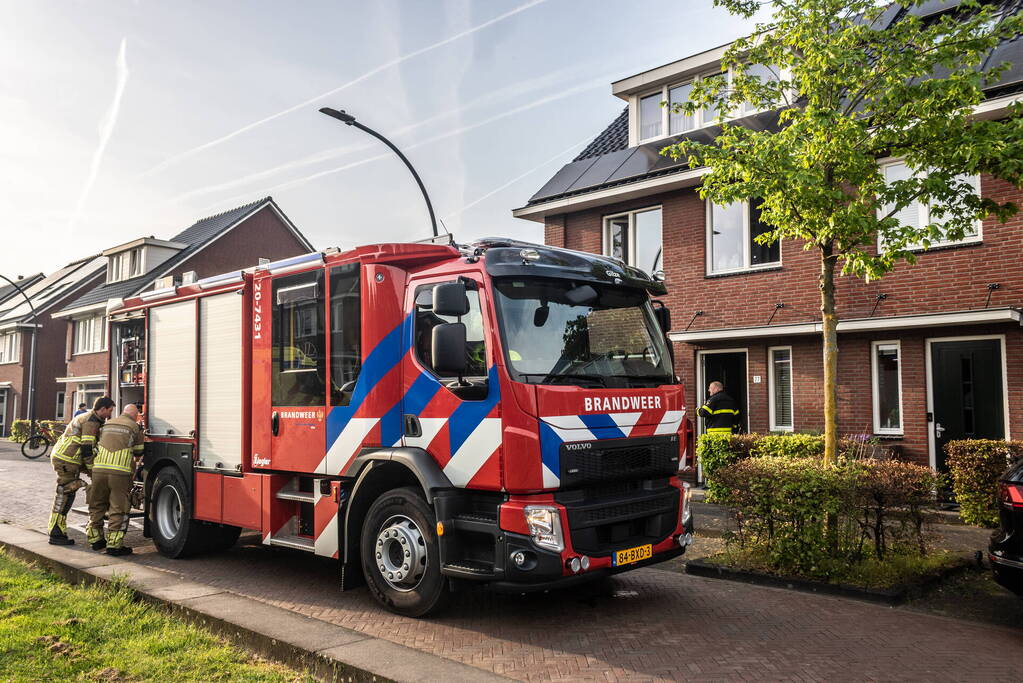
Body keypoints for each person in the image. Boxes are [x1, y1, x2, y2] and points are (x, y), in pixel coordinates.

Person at [47, 396, 115, 545]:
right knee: (65, 493)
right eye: (109, 411)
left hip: (67, 458)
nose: (109, 415)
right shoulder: (91, 420)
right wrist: (93, 471)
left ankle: (57, 530)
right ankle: (56, 532)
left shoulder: (91, 418)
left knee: (66, 493)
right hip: (67, 460)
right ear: (102, 409)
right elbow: (87, 449)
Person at [86, 404, 145, 556]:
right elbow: (139, 451)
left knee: (97, 505)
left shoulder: (107, 423)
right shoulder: (134, 426)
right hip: (120, 473)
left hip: (98, 470)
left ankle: (96, 540)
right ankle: (114, 545)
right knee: (118, 508)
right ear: (135, 415)